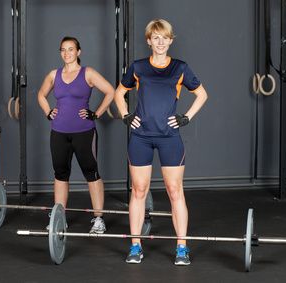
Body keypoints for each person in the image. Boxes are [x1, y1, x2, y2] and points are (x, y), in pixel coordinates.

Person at [114, 19, 208, 265]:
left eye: (164, 38)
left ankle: (181, 248)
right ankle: (135, 245)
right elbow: (119, 92)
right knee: (138, 190)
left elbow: (202, 94)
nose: (160, 42)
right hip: (141, 137)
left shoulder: (180, 68)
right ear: (149, 41)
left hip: (169, 137)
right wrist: (126, 115)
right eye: (155, 38)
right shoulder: (138, 67)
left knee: (175, 191)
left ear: (170, 40)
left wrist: (185, 117)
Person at [37, 36, 115, 233]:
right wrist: (48, 112)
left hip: (84, 132)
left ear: (78, 52)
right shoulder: (54, 75)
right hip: (59, 132)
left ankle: (98, 219)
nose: (67, 53)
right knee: (60, 174)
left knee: (91, 173)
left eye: (71, 49)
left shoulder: (87, 73)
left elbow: (110, 91)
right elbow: (40, 95)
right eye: (63, 49)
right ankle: (59, 218)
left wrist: (96, 113)